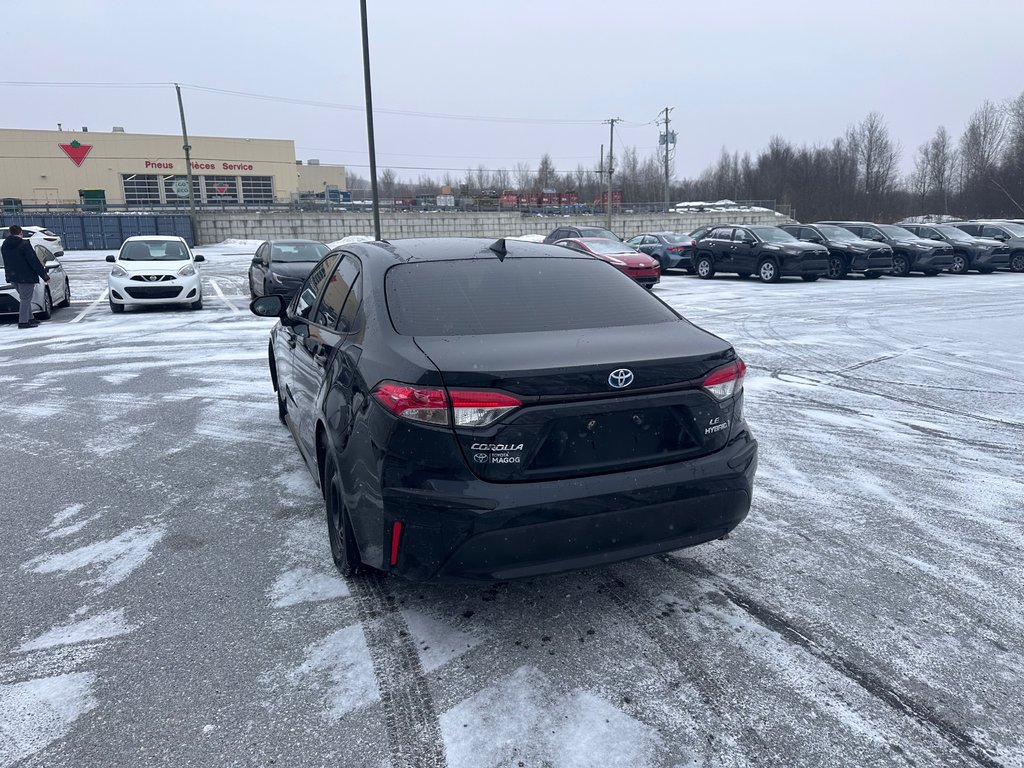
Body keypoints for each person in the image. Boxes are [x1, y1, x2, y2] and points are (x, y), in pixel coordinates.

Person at [1, 225, 49, 328]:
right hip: (26, 276)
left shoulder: (5, 245)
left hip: (12, 276)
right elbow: (33, 261)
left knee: (24, 298)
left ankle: (30, 318)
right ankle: (23, 321)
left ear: (10, 232)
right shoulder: (24, 244)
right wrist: (44, 275)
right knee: (25, 299)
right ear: (21, 232)